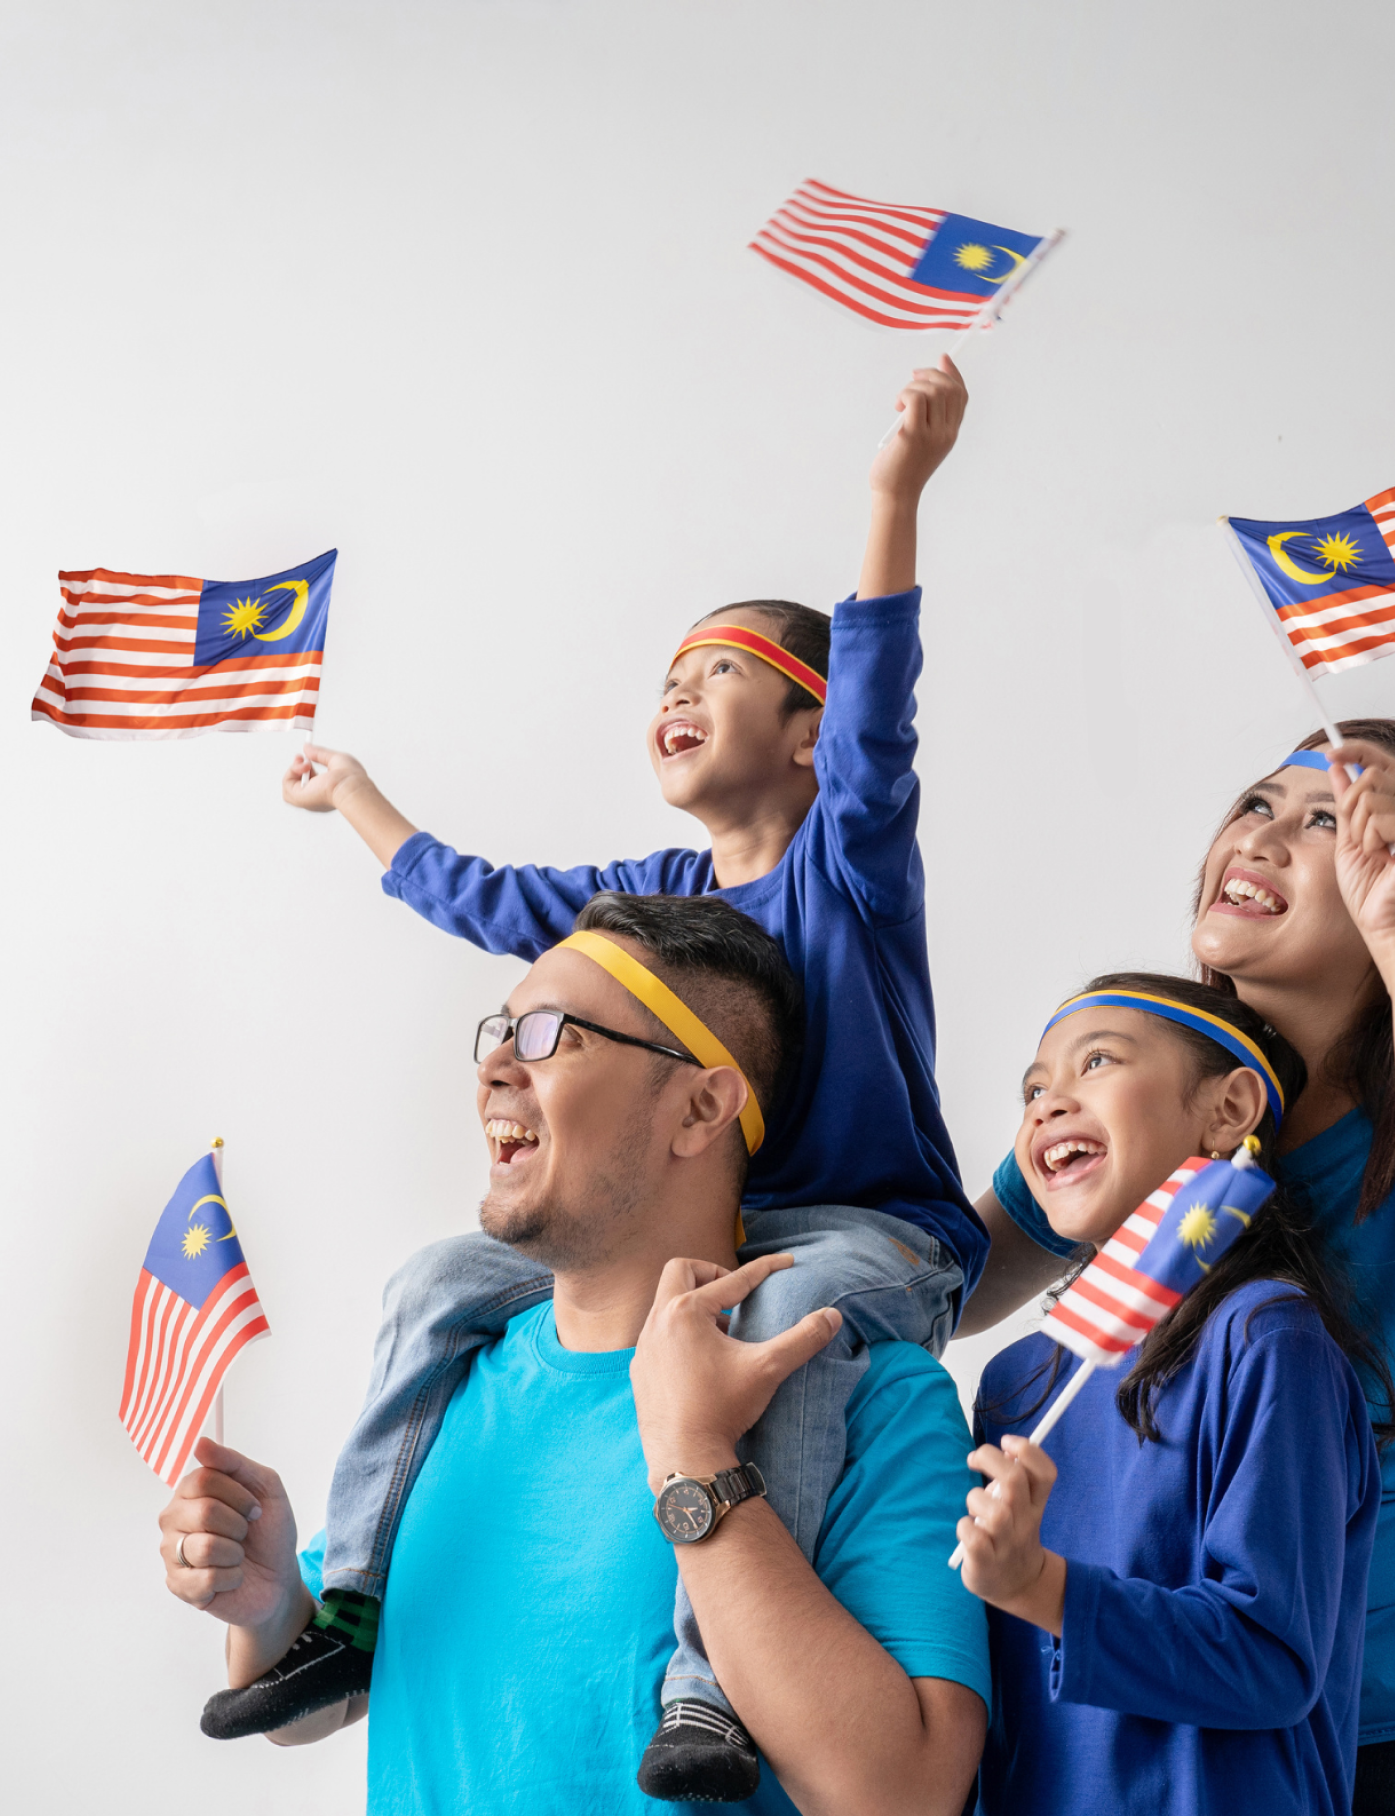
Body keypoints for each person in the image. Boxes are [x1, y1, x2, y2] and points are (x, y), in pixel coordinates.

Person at [263, 363, 984, 1799]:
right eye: (664, 678)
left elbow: (879, 715)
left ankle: (709, 1690)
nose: (676, 693)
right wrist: (358, 799)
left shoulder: (846, 868)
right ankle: (345, 1600)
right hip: (709, 1240)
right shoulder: (653, 900)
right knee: (429, 1282)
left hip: (863, 1234)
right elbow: (496, 903)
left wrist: (892, 495)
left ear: (804, 732)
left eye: (720, 674)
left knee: (777, 1318)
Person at [157, 893, 990, 1815]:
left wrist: (698, 1458)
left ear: (702, 1105)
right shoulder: (443, 1383)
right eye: (500, 1030)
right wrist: (270, 1605)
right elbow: (311, 1708)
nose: (495, 1069)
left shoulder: (868, 1393)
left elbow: (905, 1795)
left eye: (552, 1033)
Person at [961, 724, 1395, 1816]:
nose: (1260, 836)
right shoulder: (1148, 1106)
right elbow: (944, 1282)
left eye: (1324, 820)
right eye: (1255, 804)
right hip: (1175, 1695)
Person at [958, 972, 1386, 1815]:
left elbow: (1272, 1661)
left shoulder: (1267, 1338)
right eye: (1034, 1089)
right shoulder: (1017, 1386)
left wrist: (1039, 1587)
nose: (1047, 1104)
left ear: (1228, 1111)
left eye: (1098, 1062)